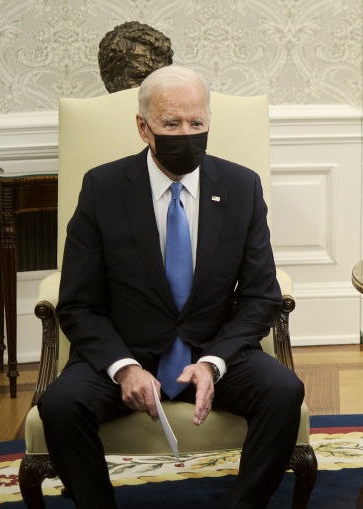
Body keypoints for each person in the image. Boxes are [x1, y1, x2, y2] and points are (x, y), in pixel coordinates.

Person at [38, 65, 304, 509]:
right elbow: (79, 304)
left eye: (196, 123)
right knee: (60, 404)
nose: (187, 133)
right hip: (128, 347)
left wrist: (214, 363)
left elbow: (260, 295)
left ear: (208, 122)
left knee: (283, 391)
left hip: (214, 348)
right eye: (171, 124)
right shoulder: (103, 188)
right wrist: (124, 368)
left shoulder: (241, 187)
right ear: (143, 127)